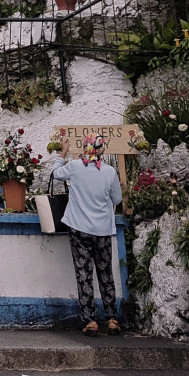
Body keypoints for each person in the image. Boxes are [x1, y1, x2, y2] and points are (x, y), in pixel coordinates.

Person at [53, 134, 124, 337]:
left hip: (78, 227)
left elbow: (56, 174)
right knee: (105, 274)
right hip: (101, 229)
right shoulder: (109, 172)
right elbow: (117, 198)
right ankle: (112, 319)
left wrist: (62, 154)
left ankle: (90, 321)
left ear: (85, 148)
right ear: (101, 150)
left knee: (84, 274)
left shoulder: (75, 167)